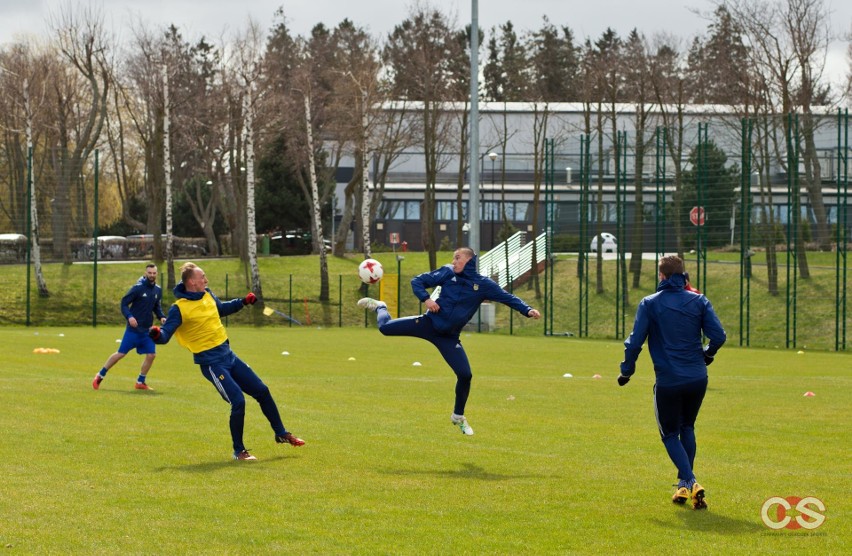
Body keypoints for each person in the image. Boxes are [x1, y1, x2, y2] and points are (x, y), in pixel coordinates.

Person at [357, 247, 541, 436]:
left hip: (449, 338)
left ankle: (458, 416)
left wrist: (527, 310)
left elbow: (507, 297)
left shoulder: (483, 284)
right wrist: (427, 300)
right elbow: (417, 281)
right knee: (385, 328)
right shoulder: (447, 272)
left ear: (469, 260)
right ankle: (381, 307)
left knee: (465, 375)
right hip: (428, 324)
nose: (453, 261)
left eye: (457, 258)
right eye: (453, 258)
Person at [148, 262, 304, 461]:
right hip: (212, 364)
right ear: (191, 282)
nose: (206, 279)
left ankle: (281, 433)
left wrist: (243, 302)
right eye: (202, 277)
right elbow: (165, 335)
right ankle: (239, 451)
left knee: (262, 391)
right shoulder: (179, 309)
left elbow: (221, 309)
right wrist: (155, 334)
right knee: (238, 401)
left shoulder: (208, 295)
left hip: (228, 355)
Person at [617, 255, 725, 510]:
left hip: (669, 379)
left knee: (669, 434)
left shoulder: (650, 303)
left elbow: (634, 343)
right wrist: (707, 354)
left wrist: (627, 371)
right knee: (687, 427)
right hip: (698, 378)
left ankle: (690, 480)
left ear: (661, 275)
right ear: (682, 275)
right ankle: (682, 486)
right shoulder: (699, 300)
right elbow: (719, 335)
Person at [93, 263, 167, 391]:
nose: (152, 275)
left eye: (154, 273)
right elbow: (124, 304)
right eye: (149, 273)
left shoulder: (158, 290)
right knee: (120, 354)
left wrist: (161, 316)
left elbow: (156, 306)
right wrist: (130, 317)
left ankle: (140, 382)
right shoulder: (137, 288)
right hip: (133, 330)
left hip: (147, 331)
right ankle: (100, 375)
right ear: (145, 273)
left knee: (151, 355)